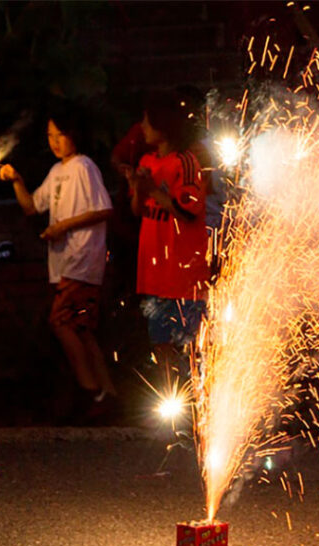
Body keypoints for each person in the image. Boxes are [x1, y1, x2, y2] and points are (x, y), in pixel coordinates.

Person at [0, 107, 117, 422]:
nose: (54, 141)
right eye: (50, 136)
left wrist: (63, 227)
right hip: (65, 262)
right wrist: (17, 180)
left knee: (62, 322)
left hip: (81, 260)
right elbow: (31, 207)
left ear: (74, 134)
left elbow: (104, 209)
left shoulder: (84, 166)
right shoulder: (57, 171)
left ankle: (91, 391)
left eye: (59, 134)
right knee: (82, 328)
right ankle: (107, 392)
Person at [127, 91, 211, 377]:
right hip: (153, 275)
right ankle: (168, 399)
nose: (143, 127)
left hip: (182, 276)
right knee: (160, 345)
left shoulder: (185, 162)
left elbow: (189, 210)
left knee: (188, 347)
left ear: (163, 126)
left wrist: (152, 191)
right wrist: (139, 189)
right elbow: (137, 210)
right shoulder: (147, 162)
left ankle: (192, 404)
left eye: (147, 122)